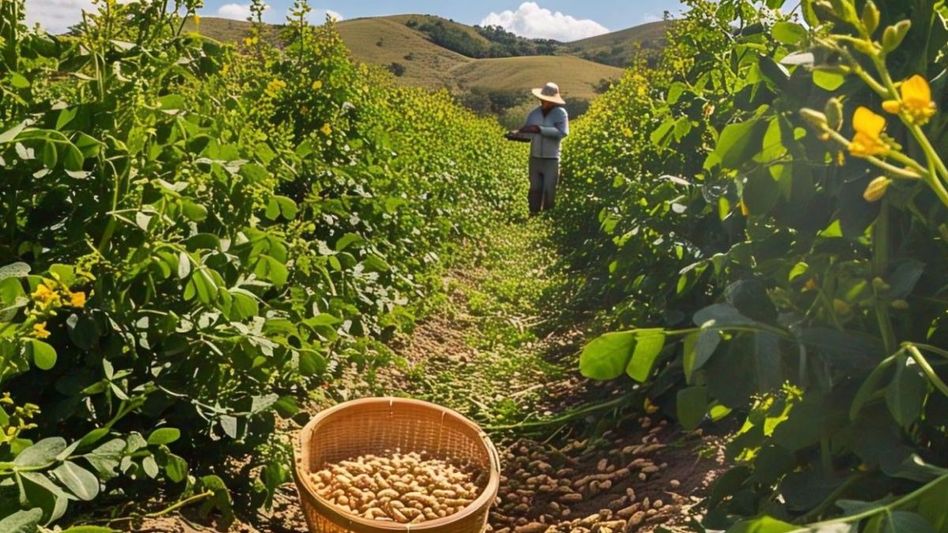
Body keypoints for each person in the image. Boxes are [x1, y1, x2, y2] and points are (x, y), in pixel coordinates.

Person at [512, 82, 569, 214]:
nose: (544, 102)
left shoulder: (560, 114)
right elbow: (528, 133)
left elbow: (562, 133)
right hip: (535, 156)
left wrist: (540, 129)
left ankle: (547, 215)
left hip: (551, 158)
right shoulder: (534, 114)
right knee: (535, 188)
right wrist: (517, 134)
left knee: (550, 188)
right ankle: (533, 213)